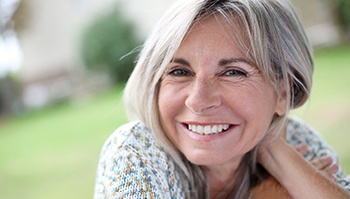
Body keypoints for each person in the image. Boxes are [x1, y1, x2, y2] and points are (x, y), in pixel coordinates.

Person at [94, 0, 350, 198]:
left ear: (283, 92)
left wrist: (274, 153)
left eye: (233, 72)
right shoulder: (136, 151)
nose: (197, 101)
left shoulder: (296, 141)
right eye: (179, 71)